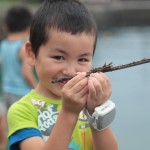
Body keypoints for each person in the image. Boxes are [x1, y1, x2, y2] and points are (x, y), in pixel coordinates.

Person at [7, 0, 118, 150]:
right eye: (59, 57)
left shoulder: (88, 104)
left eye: (83, 59)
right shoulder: (22, 111)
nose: (71, 71)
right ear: (31, 54)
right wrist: (69, 111)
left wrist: (97, 110)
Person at [0, 5, 37, 149]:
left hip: (7, 93)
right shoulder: (23, 47)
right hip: (22, 94)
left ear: (7, 26)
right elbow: (26, 73)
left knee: (12, 129)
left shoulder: (3, 45)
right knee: (27, 129)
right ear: (28, 27)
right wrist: (37, 89)